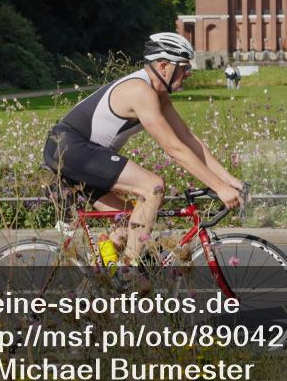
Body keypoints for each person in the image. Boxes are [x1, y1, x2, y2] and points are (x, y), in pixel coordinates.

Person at [43, 32, 243, 263]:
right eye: (184, 67)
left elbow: (187, 139)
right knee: (153, 187)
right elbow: (174, 149)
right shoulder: (140, 91)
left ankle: (102, 276)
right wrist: (219, 187)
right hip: (69, 148)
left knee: (129, 223)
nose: (188, 73)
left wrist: (228, 180)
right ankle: (130, 273)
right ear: (164, 66)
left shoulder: (159, 94)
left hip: (80, 153)